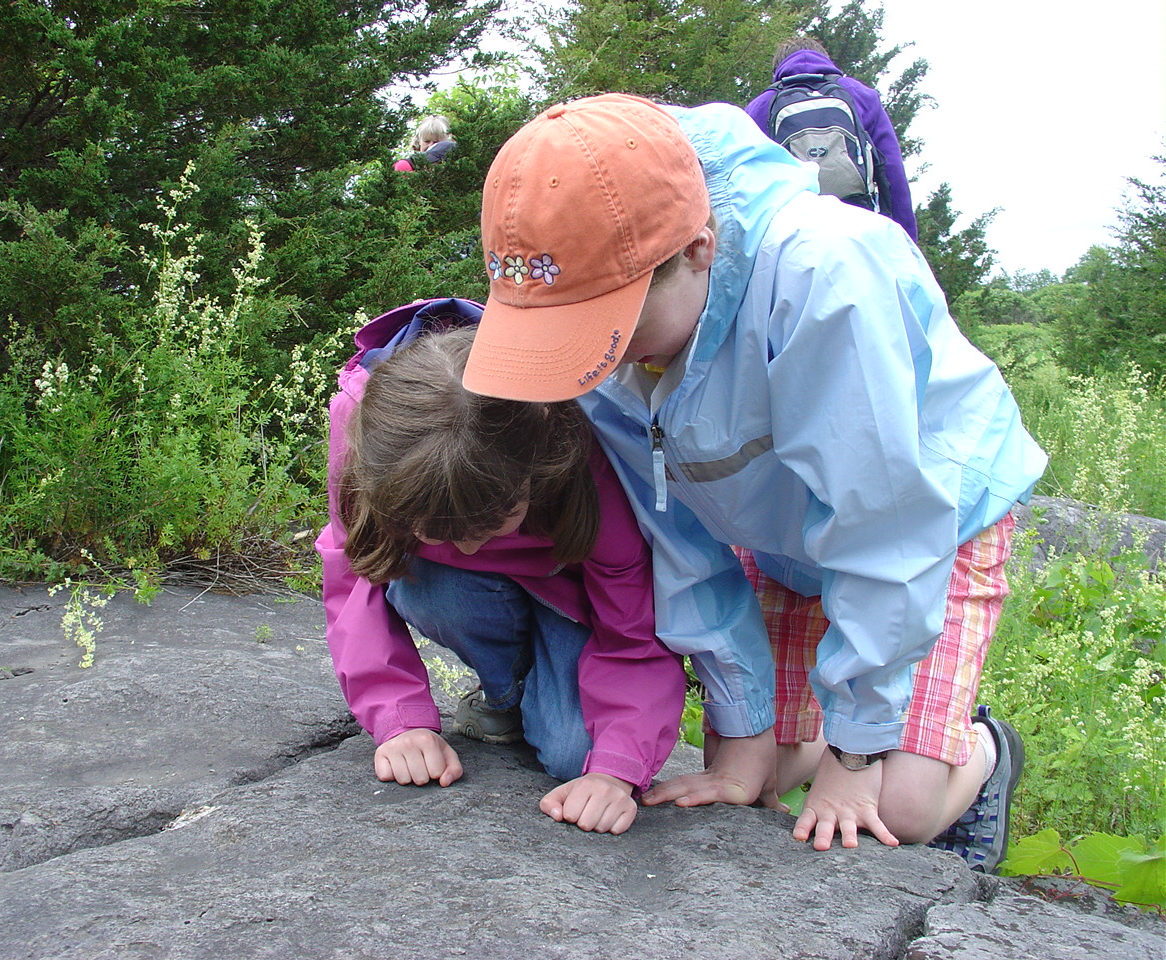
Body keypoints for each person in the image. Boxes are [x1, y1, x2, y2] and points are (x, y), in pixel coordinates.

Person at [462, 94, 1047, 872]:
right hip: (775, 527)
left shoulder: (825, 276)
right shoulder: (599, 339)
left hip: (932, 522)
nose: (597, 362)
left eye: (612, 326)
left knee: (894, 809)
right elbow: (676, 535)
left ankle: (980, 750)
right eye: (561, 333)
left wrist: (858, 750)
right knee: (761, 771)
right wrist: (741, 750)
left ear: (700, 249)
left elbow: (885, 525)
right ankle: (874, 729)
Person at [314, 298, 686, 835]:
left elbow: (633, 625)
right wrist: (397, 721)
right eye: (439, 532)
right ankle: (507, 695)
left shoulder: (572, 437)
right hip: (458, 597)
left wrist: (615, 769)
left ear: (537, 471)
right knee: (437, 585)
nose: (467, 551)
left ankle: (528, 697)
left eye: (490, 526)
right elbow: (353, 580)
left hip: (570, 600)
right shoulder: (368, 431)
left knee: (573, 756)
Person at [745, 36, 918, 242]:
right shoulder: (860, 95)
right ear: (827, 61)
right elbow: (892, 172)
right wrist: (906, 243)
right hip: (859, 224)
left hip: (792, 233)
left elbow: (748, 183)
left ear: (777, 70)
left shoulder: (761, 106)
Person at [393, 115, 458, 172]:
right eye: (427, 141)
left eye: (436, 142)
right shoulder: (407, 167)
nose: (431, 146)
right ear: (419, 141)